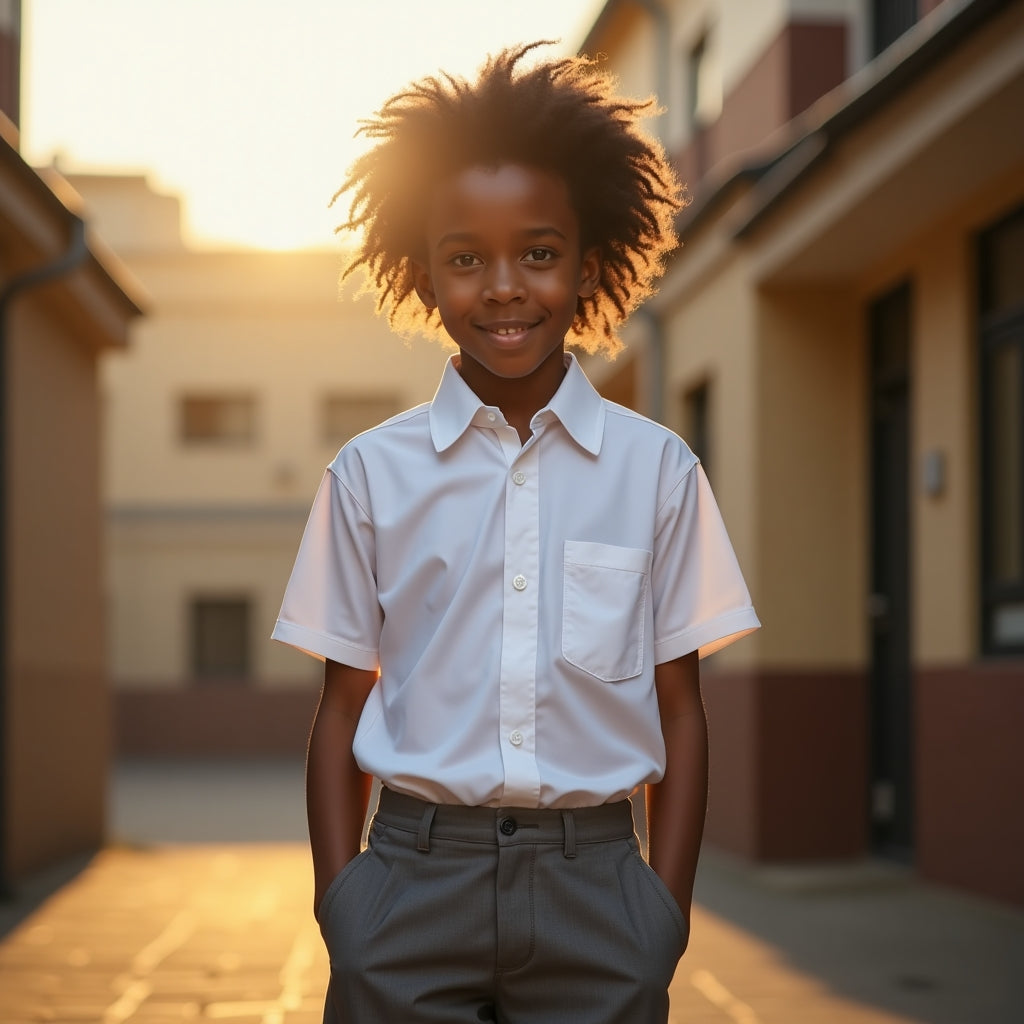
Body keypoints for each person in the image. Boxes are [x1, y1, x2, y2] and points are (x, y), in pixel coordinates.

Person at [272, 41, 760, 1024]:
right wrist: (344, 907)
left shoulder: (658, 471)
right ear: (422, 273)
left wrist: (660, 913)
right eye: (466, 258)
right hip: (409, 882)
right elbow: (339, 709)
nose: (503, 287)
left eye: (538, 252)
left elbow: (682, 709)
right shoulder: (369, 473)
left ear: (588, 263)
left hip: (598, 890)